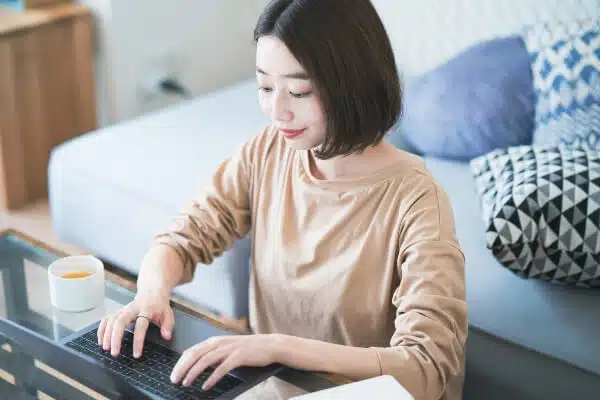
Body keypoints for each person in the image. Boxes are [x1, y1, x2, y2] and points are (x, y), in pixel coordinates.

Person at [98, 0, 468, 399]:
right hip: (270, 384)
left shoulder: (417, 200)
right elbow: (185, 235)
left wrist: (277, 347)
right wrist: (151, 292)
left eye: (298, 90)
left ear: (354, 84)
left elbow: (426, 368)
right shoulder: (267, 152)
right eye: (265, 86)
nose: (277, 112)